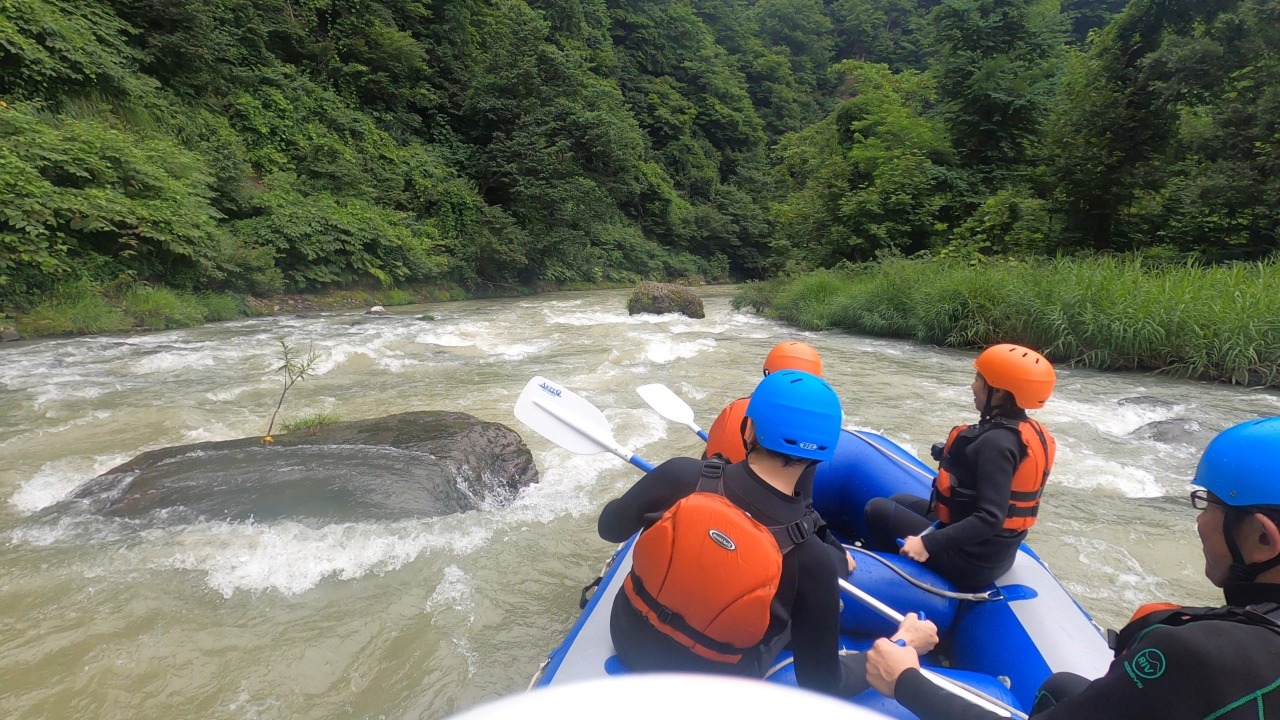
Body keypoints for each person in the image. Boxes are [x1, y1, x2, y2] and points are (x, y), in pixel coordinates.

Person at [864, 416, 1280, 719]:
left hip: (971, 558)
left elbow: (987, 517)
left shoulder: (1195, 655)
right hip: (988, 553)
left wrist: (905, 681)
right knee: (1062, 687)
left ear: (1263, 539)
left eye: (1207, 503)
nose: (1200, 519)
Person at [599, 370, 935, 697]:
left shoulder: (681, 476)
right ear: (823, 454)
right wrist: (901, 644)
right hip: (705, 687)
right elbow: (822, 683)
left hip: (627, 637)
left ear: (748, 430)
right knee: (793, 615)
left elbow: (609, 528)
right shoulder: (813, 560)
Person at [863, 343, 1057, 591]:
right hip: (992, 548)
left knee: (877, 510)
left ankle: (896, 580)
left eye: (978, 379)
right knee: (899, 499)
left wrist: (927, 544)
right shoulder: (1025, 432)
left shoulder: (997, 444)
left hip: (973, 561)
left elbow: (991, 518)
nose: (973, 386)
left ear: (997, 392)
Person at [704, 341, 823, 464]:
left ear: (768, 372)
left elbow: (710, 454)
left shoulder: (735, 409)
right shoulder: (823, 422)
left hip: (724, 476)